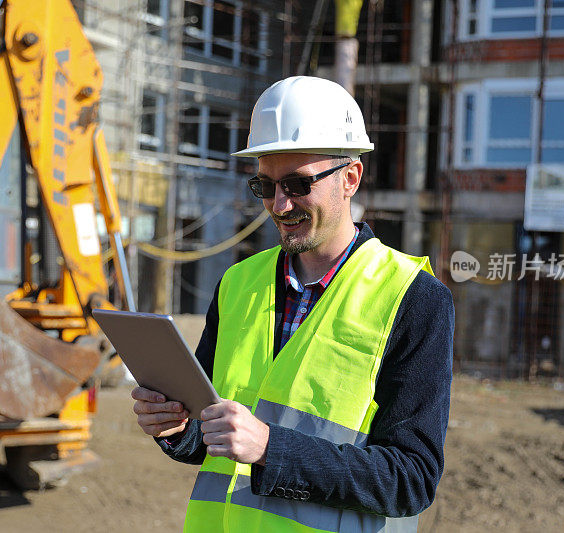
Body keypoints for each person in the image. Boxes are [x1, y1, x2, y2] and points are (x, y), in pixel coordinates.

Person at [131, 76, 454, 532]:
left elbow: (410, 482)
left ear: (350, 178)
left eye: (298, 184)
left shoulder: (415, 299)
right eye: (265, 186)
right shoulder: (238, 284)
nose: (280, 205)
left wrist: (269, 448)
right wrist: (176, 429)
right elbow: (208, 440)